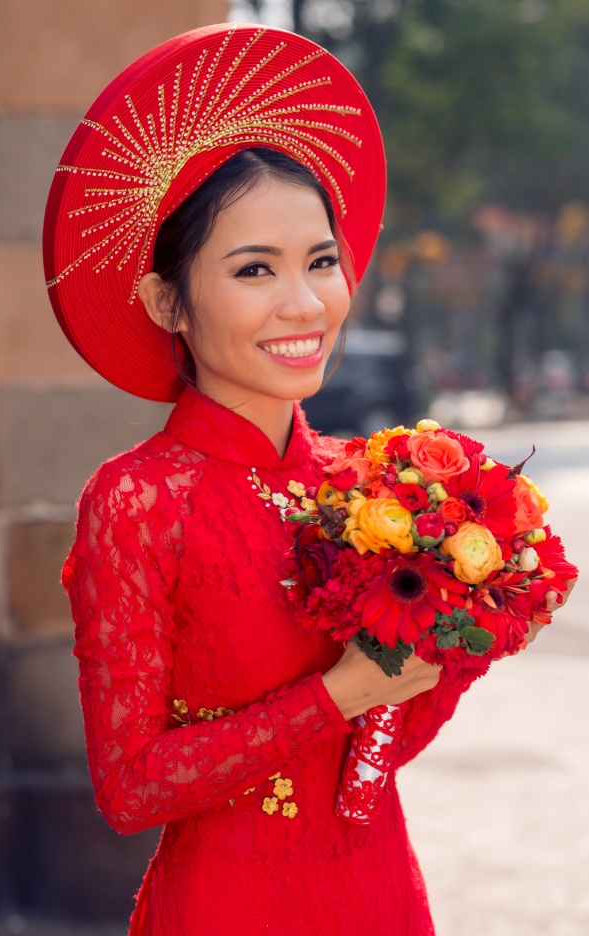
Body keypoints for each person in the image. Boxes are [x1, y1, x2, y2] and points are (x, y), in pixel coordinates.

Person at [44, 23, 571, 936]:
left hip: (374, 892)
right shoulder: (137, 501)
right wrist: (342, 692)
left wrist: (468, 627)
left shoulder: (375, 484)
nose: (305, 303)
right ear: (168, 299)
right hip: (226, 908)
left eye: (320, 261)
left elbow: (378, 757)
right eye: (254, 269)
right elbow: (130, 788)